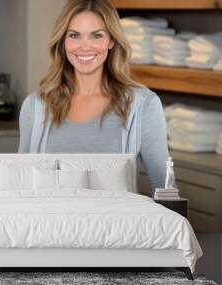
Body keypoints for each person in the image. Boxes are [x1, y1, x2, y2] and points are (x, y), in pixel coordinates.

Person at [18, 0, 169, 194]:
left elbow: (165, 187)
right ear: (63, 41)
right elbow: (21, 184)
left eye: (96, 35)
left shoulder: (143, 105)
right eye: (74, 35)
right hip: (50, 223)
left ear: (111, 41)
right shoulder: (36, 106)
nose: (85, 46)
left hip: (118, 224)